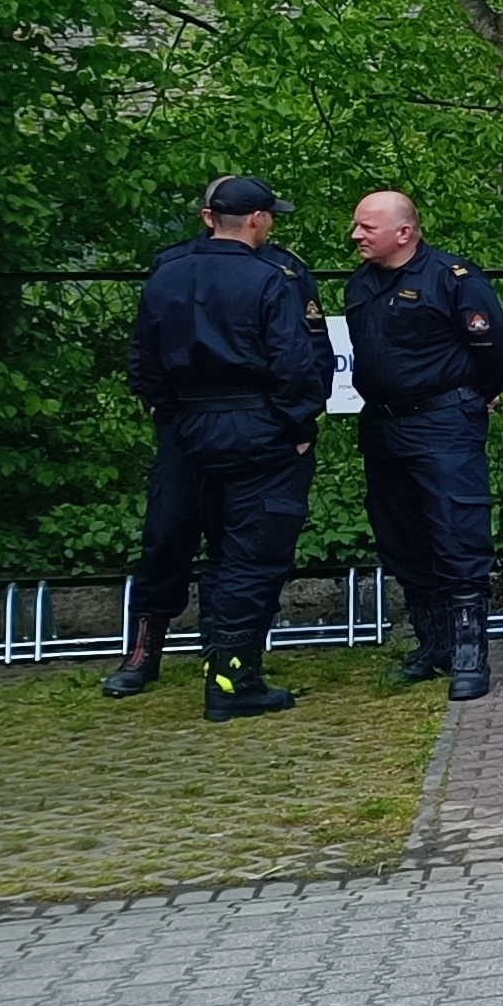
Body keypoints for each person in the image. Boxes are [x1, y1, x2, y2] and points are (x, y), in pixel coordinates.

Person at [110, 176, 334, 721]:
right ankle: (231, 677)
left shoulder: (170, 274)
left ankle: (222, 667)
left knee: (211, 546)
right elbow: (294, 361)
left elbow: (143, 357)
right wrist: (299, 422)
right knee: (247, 550)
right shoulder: (266, 277)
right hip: (254, 426)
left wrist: (166, 409)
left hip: (191, 424)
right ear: (255, 218)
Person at [341, 192, 503, 701]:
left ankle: (469, 654)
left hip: (443, 424)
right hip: (383, 426)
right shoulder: (361, 283)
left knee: (457, 533)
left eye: (367, 227)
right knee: (401, 538)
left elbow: (500, 351)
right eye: (356, 226)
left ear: (404, 233)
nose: (355, 235)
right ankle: (433, 645)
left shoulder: (451, 278)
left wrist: (474, 396)